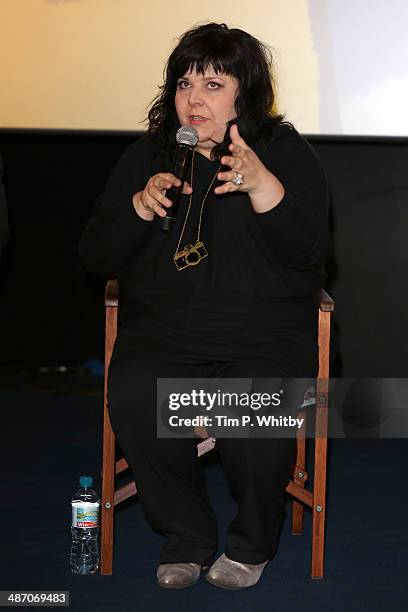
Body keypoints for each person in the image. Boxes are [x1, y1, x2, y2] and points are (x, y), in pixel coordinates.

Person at [79, 22, 329, 590]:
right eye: (184, 83)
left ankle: (251, 544)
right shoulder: (150, 155)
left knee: (253, 409)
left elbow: (312, 262)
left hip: (261, 338)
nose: (194, 99)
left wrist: (265, 187)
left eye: (213, 84)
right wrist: (139, 207)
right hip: (166, 337)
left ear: (246, 92)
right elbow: (95, 254)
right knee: (136, 392)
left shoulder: (286, 155)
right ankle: (186, 536)